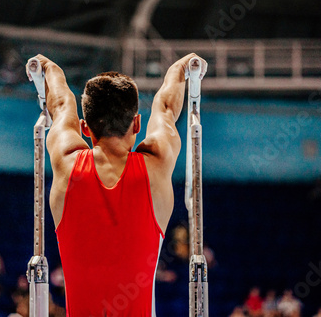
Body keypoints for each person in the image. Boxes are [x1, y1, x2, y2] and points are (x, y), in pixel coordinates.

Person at [29, 53, 207, 316]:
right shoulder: (155, 165)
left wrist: (48, 68)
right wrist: (182, 68)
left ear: (85, 128)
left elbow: (61, 104)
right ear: (136, 123)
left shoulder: (67, 164)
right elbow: (166, 107)